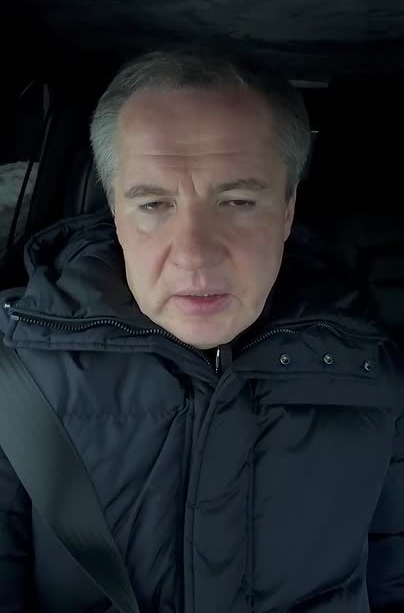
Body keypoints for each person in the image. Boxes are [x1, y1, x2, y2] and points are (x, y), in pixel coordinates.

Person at [0, 48, 403, 613]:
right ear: (115, 210)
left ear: (288, 210)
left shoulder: (375, 376)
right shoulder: (15, 376)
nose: (193, 254)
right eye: (153, 204)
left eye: (237, 201)